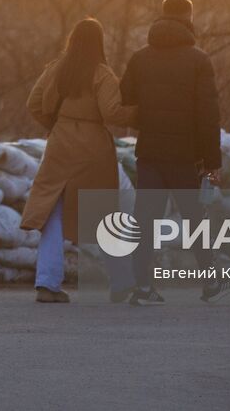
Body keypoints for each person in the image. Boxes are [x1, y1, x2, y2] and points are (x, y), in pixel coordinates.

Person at [121, 0, 230, 304]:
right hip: (186, 157)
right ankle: (211, 283)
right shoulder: (198, 60)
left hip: (150, 154)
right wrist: (212, 162)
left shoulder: (140, 58)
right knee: (195, 219)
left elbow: (126, 99)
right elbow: (208, 117)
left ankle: (142, 287)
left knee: (145, 220)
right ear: (188, 17)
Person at [20, 17, 138, 303]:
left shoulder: (55, 70)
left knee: (52, 213)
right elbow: (112, 112)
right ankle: (122, 282)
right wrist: (139, 113)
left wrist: (58, 123)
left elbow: (33, 103)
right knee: (103, 215)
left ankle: (47, 285)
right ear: (99, 43)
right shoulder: (102, 75)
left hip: (60, 146)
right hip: (93, 150)